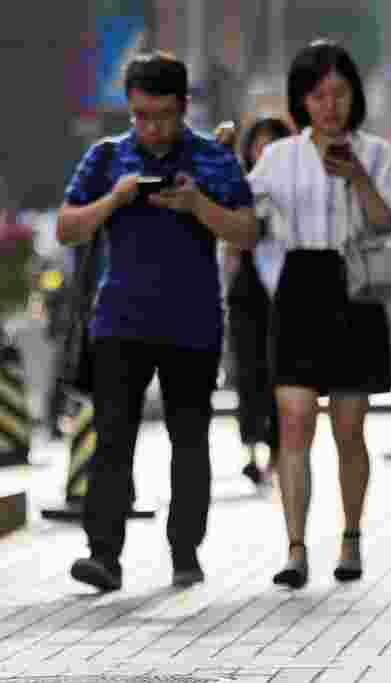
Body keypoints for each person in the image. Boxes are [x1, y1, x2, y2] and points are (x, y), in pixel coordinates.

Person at [56, 52, 259, 591]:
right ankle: (104, 555)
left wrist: (198, 206)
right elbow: (66, 227)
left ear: (184, 106)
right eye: (140, 115)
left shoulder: (213, 160)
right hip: (119, 321)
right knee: (113, 440)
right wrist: (114, 200)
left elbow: (247, 231)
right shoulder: (105, 158)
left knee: (189, 442)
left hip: (193, 325)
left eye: (163, 116)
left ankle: (185, 552)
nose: (151, 128)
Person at [246, 39, 391, 589]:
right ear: (301, 100)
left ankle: (351, 536)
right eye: (317, 95)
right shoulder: (280, 156)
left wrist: (358, 177)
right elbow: (248, 212)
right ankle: (295, 548)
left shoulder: (380, 153)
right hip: (299, 285)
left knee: (349, 428)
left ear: (354, 96)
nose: (329, 105)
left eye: (339, 92)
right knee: (294, 421)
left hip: (356, 286)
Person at [218, 117, 292, 486]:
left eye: (272, 145)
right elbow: (229, 243)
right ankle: (250, 450)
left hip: (286, 291)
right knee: (248, 373)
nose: (264, 152)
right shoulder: (240, 186)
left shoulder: (297, 188)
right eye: (258, 145)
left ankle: (279, 452)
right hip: (248, 292)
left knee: (282, 374)